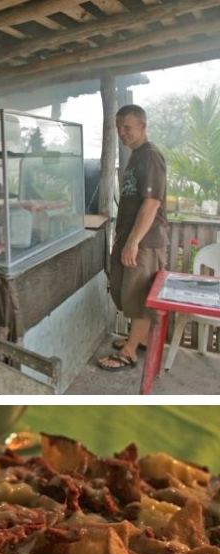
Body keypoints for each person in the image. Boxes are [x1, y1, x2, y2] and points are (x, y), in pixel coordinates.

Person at [97, 104, 169, 371]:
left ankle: (129, 352)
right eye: (118, 127)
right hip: (131, 237)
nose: (121, 132)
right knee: (123, 292)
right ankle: (137, 339)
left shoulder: (150, 156)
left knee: (139, 296)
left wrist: (133, 242)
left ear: (143, 126)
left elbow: (151, 203)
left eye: (127, 126)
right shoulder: (136, 156)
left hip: (146, 242)